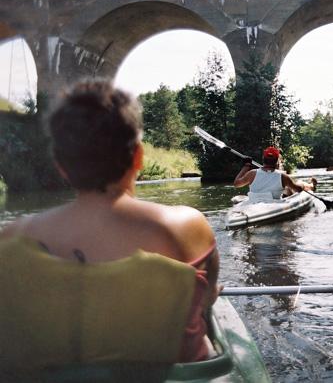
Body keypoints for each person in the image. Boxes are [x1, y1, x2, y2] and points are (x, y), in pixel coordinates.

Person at [0, 80, 221, 371]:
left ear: (61, 165)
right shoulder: (185, 226)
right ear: (138, 156)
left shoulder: (10, 239)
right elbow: (207, 297)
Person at [233, 146, 316, 200]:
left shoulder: (252, 173)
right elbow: (298, 190)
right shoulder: (283, 176)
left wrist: (246, 166)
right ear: (277, 161)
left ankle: (310, 185)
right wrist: (299, 187)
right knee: (298, 185)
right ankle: (311, 185)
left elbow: (236, 184)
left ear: (263, 158)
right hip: (274, 203)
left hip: (255, 203)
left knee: (288, 188)